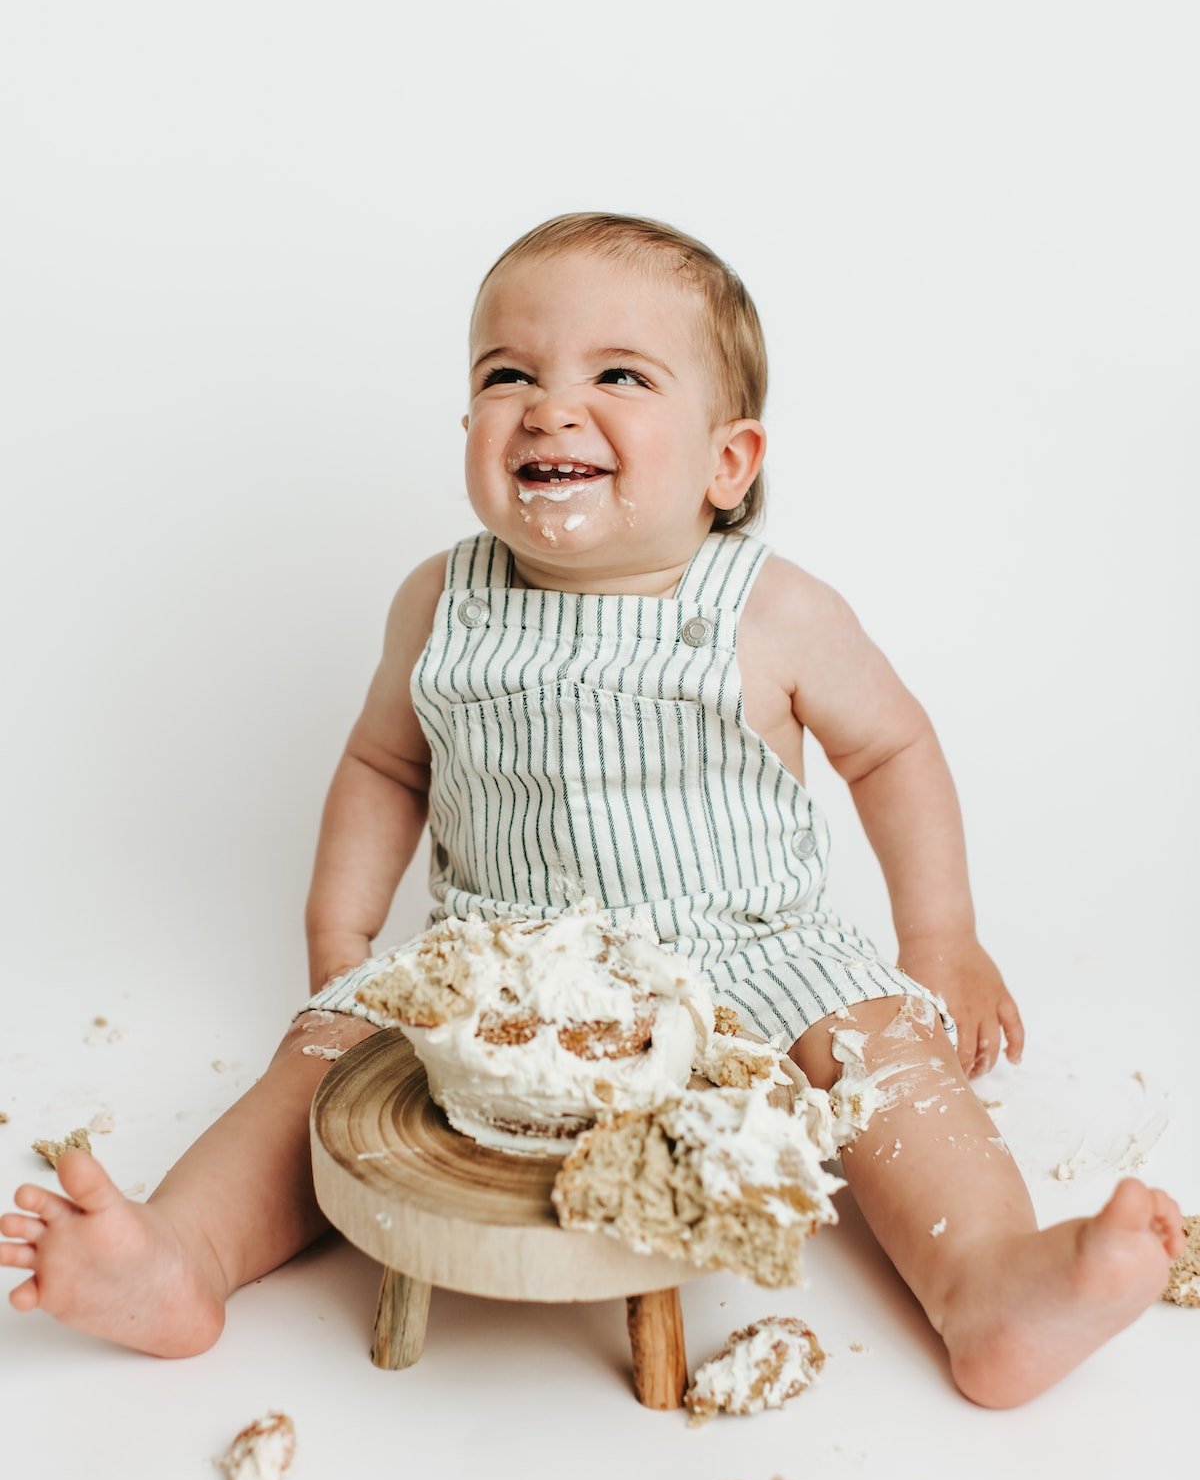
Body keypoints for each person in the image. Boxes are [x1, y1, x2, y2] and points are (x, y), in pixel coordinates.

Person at [1, 213, 1183, 1406]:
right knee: (315, 1070)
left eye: (618, 376)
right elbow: (384, 768)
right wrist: (342, 949)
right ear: (468, 425)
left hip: (751, 944)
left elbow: (893, 753)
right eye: (507, 374)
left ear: (729, 461)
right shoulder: (439, 601)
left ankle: (986, 1283)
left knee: (890, 1058)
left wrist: (941, 943)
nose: (551, 407)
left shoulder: (771, 610)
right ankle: (182, 1258)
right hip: (496, 958)